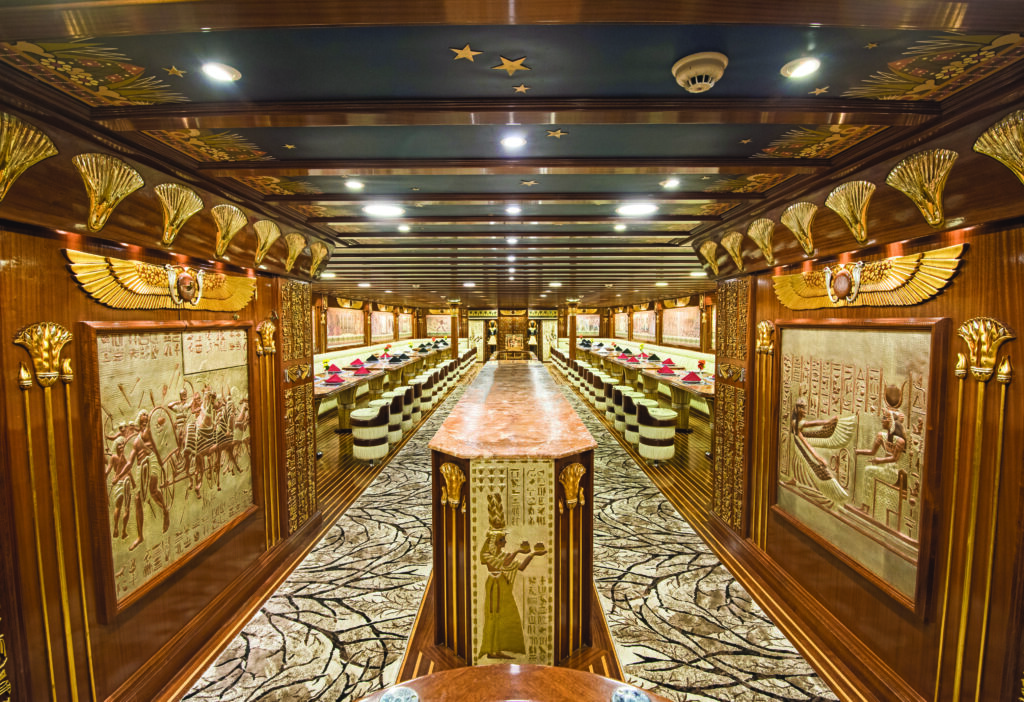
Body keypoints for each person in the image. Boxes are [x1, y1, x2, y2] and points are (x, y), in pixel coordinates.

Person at [478, 494, 546, 659]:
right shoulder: (487, 554)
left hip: (503, 585)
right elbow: (503, 564)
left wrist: (533, 554)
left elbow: (520, 567)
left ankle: (498, 649)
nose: (505, 543)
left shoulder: (503, 554)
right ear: (496, 541)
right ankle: (491, 650)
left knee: (506, 616)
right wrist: (518, 551)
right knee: (493, 615)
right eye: (503, 540)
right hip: (494, 586)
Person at [121, 409, 172, 551]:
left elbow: (159, 421)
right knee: (137, 499)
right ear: (139, 419)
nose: (145, 416)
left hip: (152, 461)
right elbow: (130, 462)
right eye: (143, 414)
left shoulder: (150, 430)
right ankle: (140, 536)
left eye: (146, 414)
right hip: (140, 467)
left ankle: (165, 511)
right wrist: (119, 475)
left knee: (153, 489)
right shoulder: (136, 441)